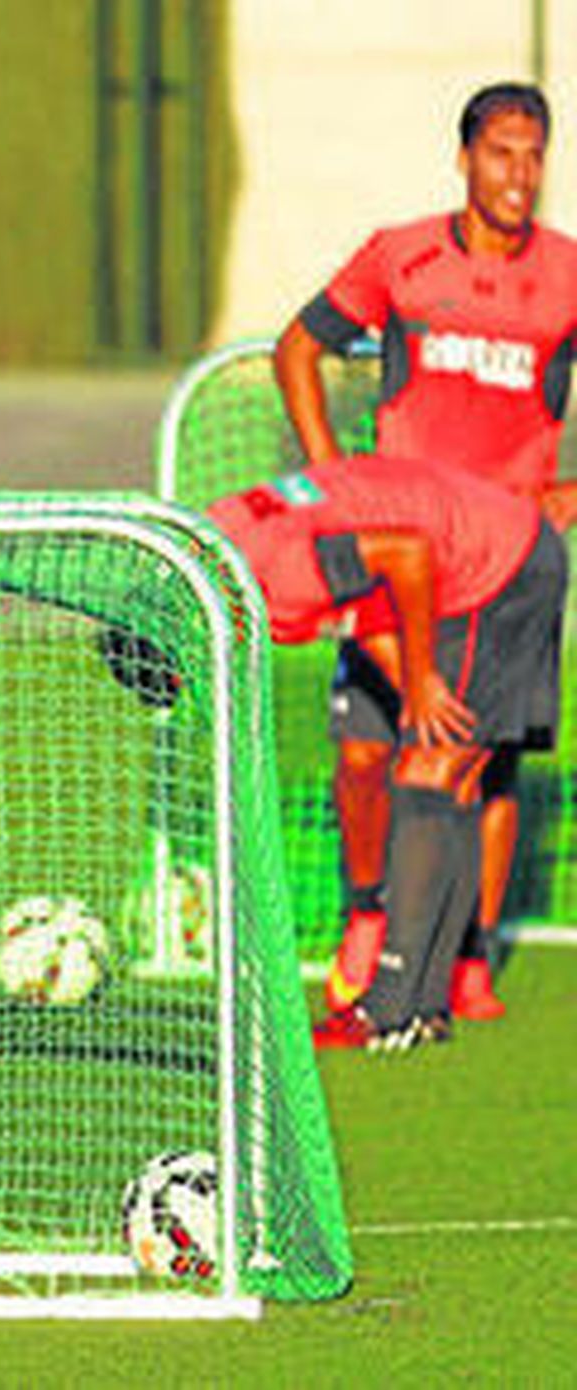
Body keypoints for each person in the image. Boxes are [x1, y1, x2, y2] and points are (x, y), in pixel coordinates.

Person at [274, 81, 577, 1021]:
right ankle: (371, 912)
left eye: (534, 154)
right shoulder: (400, 256)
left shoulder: (567, 273)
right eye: (500, 152)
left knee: (483, 764)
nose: (518, 173)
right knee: (367, 750)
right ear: (464, 158)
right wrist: (333, 480)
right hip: (395, 547)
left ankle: (467, 956)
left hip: (505, 560)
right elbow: (297, 349)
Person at [208, 456, 567, 1050]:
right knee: (450, 773)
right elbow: (365, 607)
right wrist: (412, 688)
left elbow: (406, 554)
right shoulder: (217, 543)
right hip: (491, 551)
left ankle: (388, 1011)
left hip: (495, 568)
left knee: (427, 773)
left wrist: (422, 677)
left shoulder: (273, 579)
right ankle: (424, 1007)